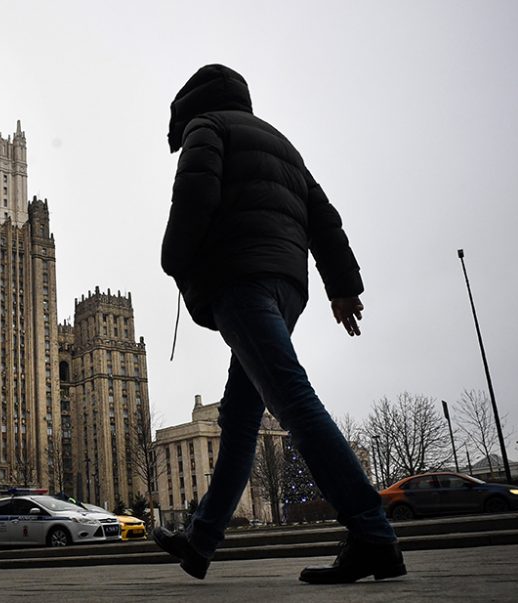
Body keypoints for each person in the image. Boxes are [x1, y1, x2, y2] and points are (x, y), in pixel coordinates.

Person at [154, 64, 405, 584]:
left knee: (292, 399)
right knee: (241, 421)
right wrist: (342, 287)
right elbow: (322, 215)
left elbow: (195, 196)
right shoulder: (279, 141)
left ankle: (372, 533)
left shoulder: (208, 128)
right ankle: (201, 542)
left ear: (191, 103)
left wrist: (174, 258)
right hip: (287, 287)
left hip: (240, 280)